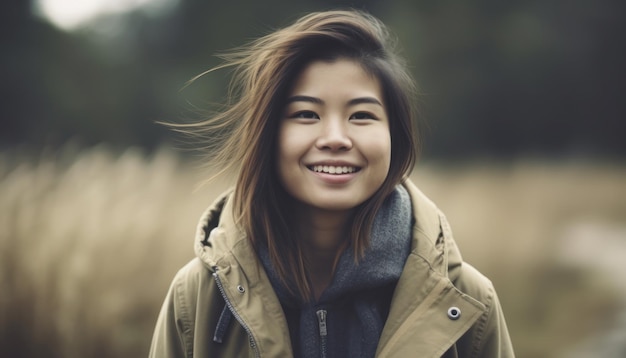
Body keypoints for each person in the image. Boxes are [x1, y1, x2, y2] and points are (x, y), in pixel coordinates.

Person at [149, 9, 514, 358]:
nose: (336, 138)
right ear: (267, 136)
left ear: (395, 140)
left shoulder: (465, 301)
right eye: (306, 114)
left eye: (361, 115)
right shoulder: (198, 296)